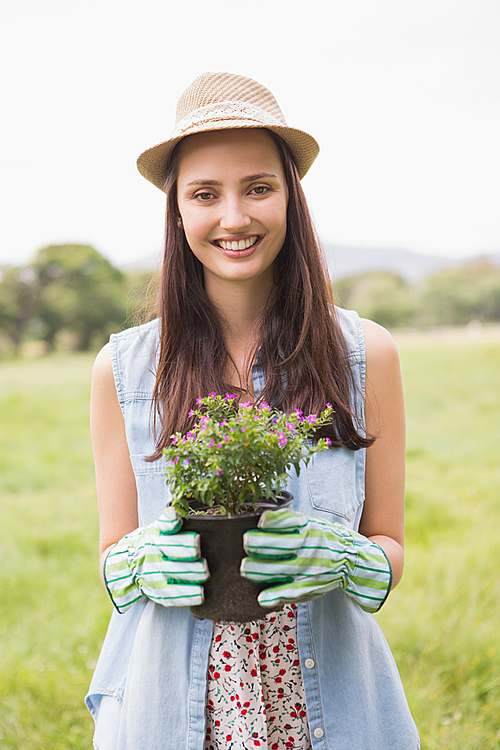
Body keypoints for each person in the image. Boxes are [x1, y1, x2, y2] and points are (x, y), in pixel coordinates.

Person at [86, 72, 420, 750]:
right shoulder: (122, 370)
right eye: (205, 194)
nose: (233, 217)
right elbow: (112, 552)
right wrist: (138, 563)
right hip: (169, 711)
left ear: (291, 201)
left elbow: (390, 542)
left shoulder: (365, 355)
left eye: (259, 188)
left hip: (329, 703)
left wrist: (351, 559)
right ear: (177, 212)